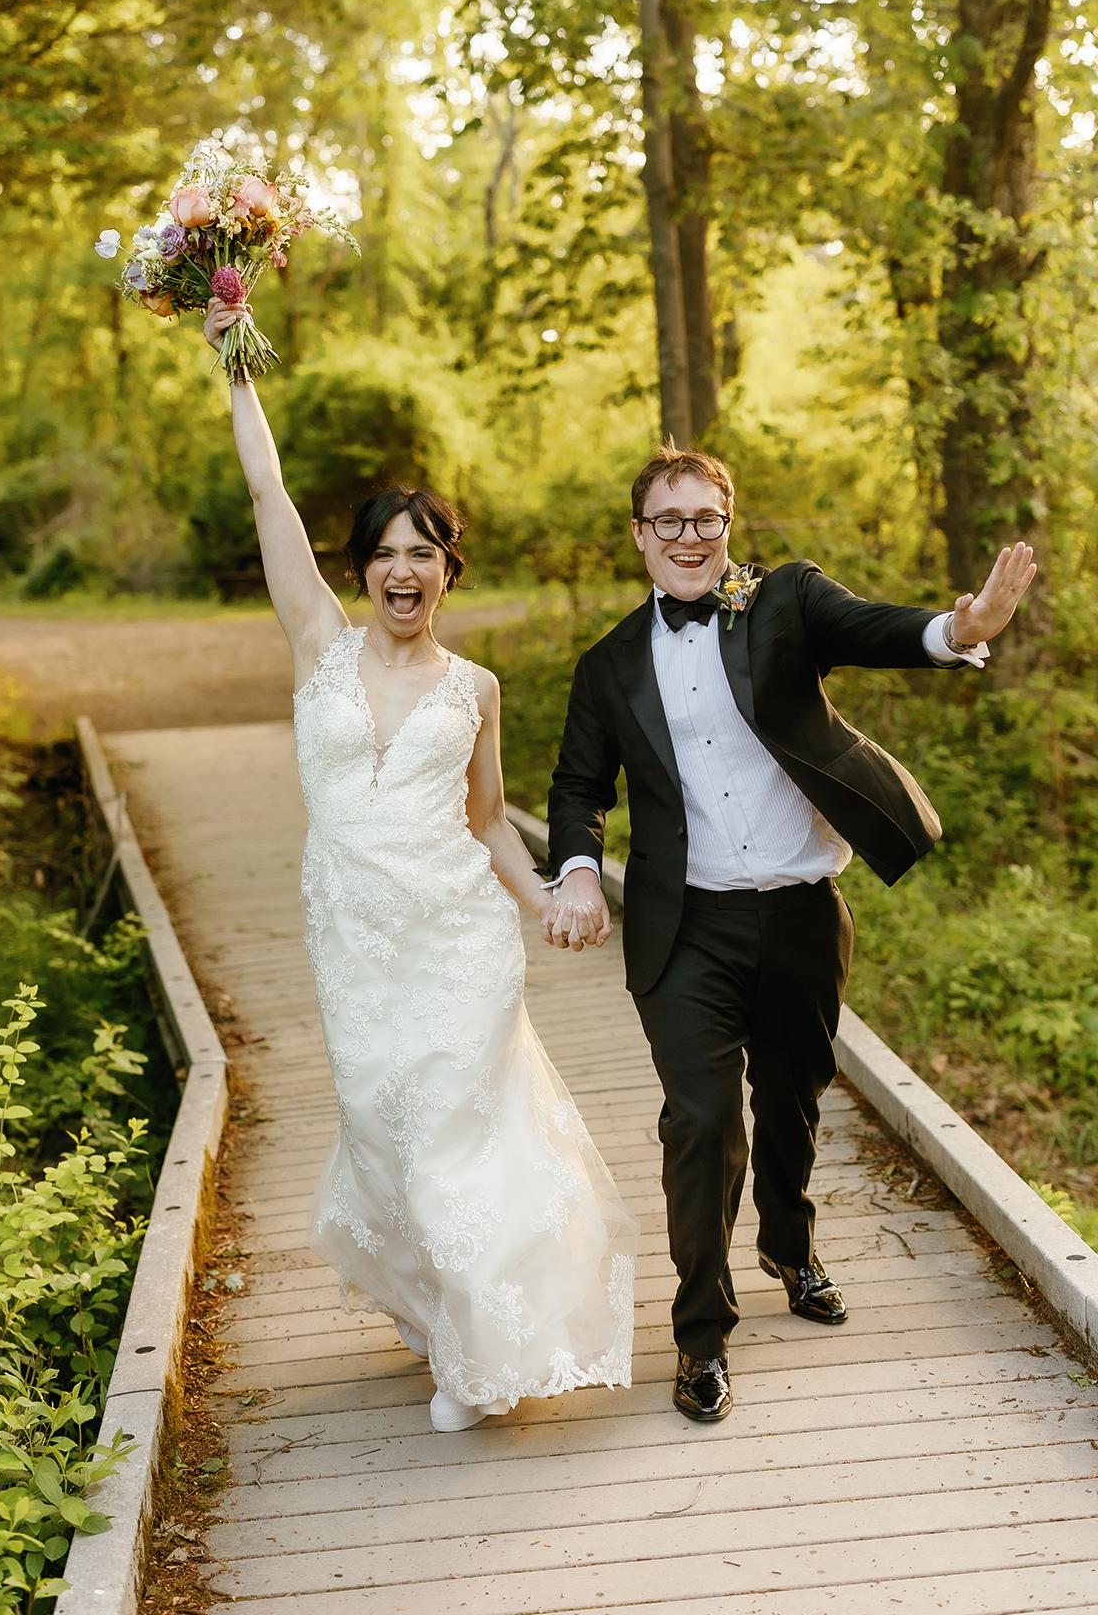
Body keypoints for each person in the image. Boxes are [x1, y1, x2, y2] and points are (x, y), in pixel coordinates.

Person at [201, 295, 637, 1433]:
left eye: (424, 555)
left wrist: (546, 896)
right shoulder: (317, 652)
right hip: (354, 940)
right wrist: (236, 366)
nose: (405, 572)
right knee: (384, 1124)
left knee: (456, 1125)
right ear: (360, 575)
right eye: (386, 556)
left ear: (449, 571)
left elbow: (490, 819)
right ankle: (437, 1309)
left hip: (457, 936)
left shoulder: (476, 688)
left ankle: (479, 1356)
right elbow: (268, 495)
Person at [544, 441, 1035, 1424]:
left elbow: (881, 629)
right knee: (702, 1121)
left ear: (729, 524)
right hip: (688, 928)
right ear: (640, 535)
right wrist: (580, 871)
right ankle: (701, 1338)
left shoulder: (785, 602)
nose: (689, 538)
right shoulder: (606, 667)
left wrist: (961, 627)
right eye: (669, 521)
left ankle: (788, 1242)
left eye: (706, 519)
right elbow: (578, 789)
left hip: (806, 909)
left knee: (794, 1098)